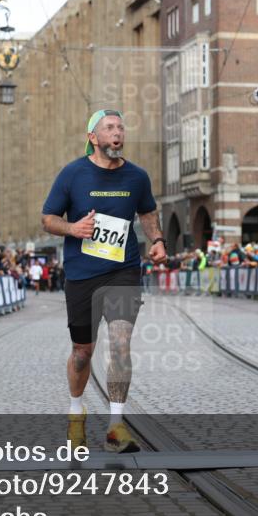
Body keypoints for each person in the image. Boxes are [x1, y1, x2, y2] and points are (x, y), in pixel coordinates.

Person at [41, 108, 165, 453]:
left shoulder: (137, 177)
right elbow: (48, 218)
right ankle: (75, 412)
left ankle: (115, 427)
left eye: (121, 127)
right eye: (109, 127)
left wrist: (157, 240)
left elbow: (148, 212)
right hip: (82, 273)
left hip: (123, 270)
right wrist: (72, 228)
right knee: (82, 352)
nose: (117, 132)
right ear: (93, 137)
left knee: (121, 344)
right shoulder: (73, 174)